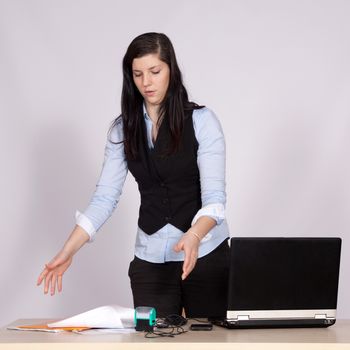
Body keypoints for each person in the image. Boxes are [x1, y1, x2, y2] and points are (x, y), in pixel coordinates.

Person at [37, 32, 230, 318]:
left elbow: (215, 200)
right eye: (138, 74)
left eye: (155, 71)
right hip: (150, 258)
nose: (146, 82)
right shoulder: (122, 131)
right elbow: (105, 198)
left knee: (211, 342)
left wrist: (193, 235)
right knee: (151, 342)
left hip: (205, 255)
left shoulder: (203, 122)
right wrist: (68, 251)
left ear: (171, 71)